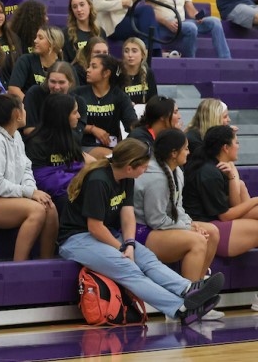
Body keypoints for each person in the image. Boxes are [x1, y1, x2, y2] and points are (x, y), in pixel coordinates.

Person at [58, 138, 225, 325]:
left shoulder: (127, 178)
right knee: (128, 268)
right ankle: (181, 309)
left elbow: (127, 215)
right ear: (130, 166)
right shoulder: (99, 180)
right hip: (77, 239)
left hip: (107, 234)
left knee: (146, 258)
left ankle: (188, 288)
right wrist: (121, 248)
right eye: (144, 166)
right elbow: (95, 227)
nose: (146, 170)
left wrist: (129, 243)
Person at [0, 88, 58, 260]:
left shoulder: (16, 135)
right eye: (23, 108)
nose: (26, 112)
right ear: (17, 114)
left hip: (7, 197)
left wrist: (32, 191)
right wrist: (30, 193)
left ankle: (45, 264)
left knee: (50, 208)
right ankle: (19, 266)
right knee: (37, 211)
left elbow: (26, 167)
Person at [134, 129, 221, 295]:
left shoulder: (177, 171)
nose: (189, 152)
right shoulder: (156, 178)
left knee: (213, 232)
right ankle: (187, 299)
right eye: (186, 148)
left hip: (158, 228)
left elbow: (178, 207)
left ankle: (200, 292)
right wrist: (188, 229)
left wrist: (190, 224)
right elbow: (156, 220)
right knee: (197, 241)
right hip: (141, 231)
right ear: (174, 153)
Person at [183, 125, 258, 260]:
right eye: (236, 142)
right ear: (225, 147)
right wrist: (256, 200)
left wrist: (231, 177)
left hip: (215, 223)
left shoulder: (218, 166)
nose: (238, 146)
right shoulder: (209, 172)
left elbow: (235, 205)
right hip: (206, 228)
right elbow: (225, 216)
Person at [25, 92, 87, 214]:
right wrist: (75, 180)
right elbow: (41, 180)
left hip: (71, 189)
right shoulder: (36, 143)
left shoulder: (72, 137)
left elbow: (78, 166)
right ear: (62, 116)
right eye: (74, 112)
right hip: (49, 197)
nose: (79, 116)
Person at [75, 54, 137, 159]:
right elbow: (66, 124)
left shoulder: (120, 96)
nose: (88, 70)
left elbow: (132, 125)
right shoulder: (78, 94)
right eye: (89, 66)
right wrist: (92, 129)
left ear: (106, 73)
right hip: (84, 146)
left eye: (94, 67)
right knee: (108, 156)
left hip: (113, 147)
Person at [22, 61, 87, 138]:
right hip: (38, 146)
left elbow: (77, 135)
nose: (56, 87)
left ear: (70, 83)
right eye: (53, 82)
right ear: (47, 81)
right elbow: (28, 130)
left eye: (61, 82)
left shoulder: (79, 102)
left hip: (67, 147)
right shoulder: (35, 94)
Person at [7, 25, 67, 100]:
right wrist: (30, 106)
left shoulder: (64, 68)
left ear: (52, 44)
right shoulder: (25, 60)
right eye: (36, 37)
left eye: (40, 38)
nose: (35, 40)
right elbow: (13, 89)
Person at [63, 0, 104, 64]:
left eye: (82, 5)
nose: (79, 9)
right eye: (75, 7)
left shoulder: (100, 32)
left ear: (89, 5)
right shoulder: (66, 33)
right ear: (72, 11)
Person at [121, 37, 157, 105]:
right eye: (126, 51)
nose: (130, 55)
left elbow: (154, 101)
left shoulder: (149, 73)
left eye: (134, 51)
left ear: (142, 55)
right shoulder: (117, 74)